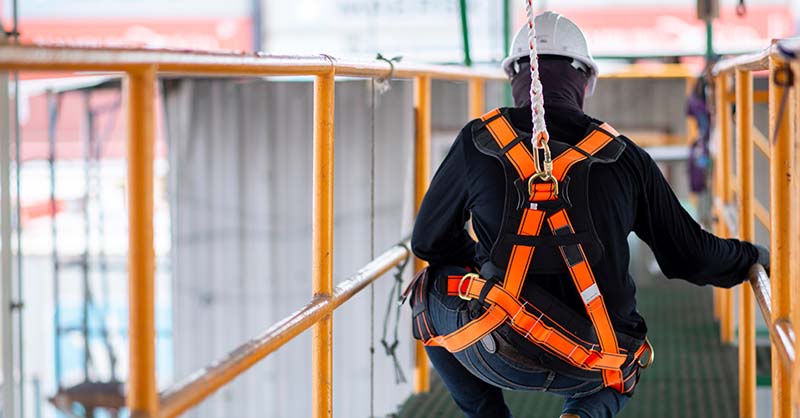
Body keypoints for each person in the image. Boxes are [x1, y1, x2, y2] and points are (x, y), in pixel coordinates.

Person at [407, 11, 769, 418]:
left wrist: (485, 266)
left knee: (427, 291)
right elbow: (691, 256)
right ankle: (583, 414)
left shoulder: (479, 141)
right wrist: (751, 256)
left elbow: (428, 242)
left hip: (500, 347)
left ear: (515, 78)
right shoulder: (624, 156)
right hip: (596, 360)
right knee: (623, 366)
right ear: (586, 82)